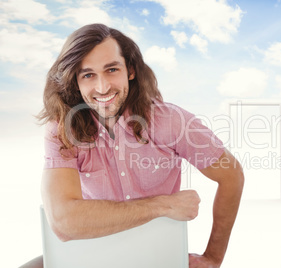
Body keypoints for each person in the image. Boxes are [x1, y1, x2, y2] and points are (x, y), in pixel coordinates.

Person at [21, 23, 244, 268]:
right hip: (89, 253)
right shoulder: (62, 129)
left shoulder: (171, 121)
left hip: (158, 254)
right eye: (88, 75)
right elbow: (63, 222)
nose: (103, 87)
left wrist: (213, 258)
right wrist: (163, 205)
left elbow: (231, 175)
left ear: (131, 70)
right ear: (75, 81)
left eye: (112, 70)